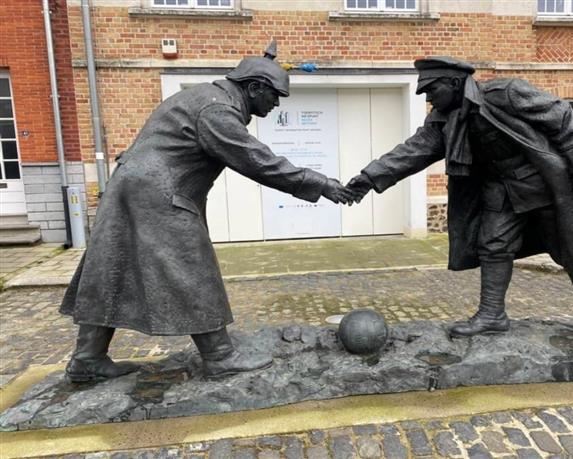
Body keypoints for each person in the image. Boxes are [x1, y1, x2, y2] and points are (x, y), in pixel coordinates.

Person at [60, 42, 357, 382]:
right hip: (159, 195)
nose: (276, 104)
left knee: (112, 267)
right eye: (275, 96)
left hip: (130, 189)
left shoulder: (205, 97)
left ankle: (87, 358)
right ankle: (219, 356)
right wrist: (321, 184)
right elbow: (257, 161)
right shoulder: (217, 111)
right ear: (254, 87)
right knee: (193, 268)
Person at [347, 56, 573, 346]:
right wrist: (369, 178)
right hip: (499, 190)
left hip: (541, 185)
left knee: (570, 250)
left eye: (432, 90)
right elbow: (413, 151)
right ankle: (492, 314)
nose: (428, 98)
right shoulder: (443, 118)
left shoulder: (505, 93)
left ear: (454, 83)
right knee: (493, 246)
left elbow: (561, 115)